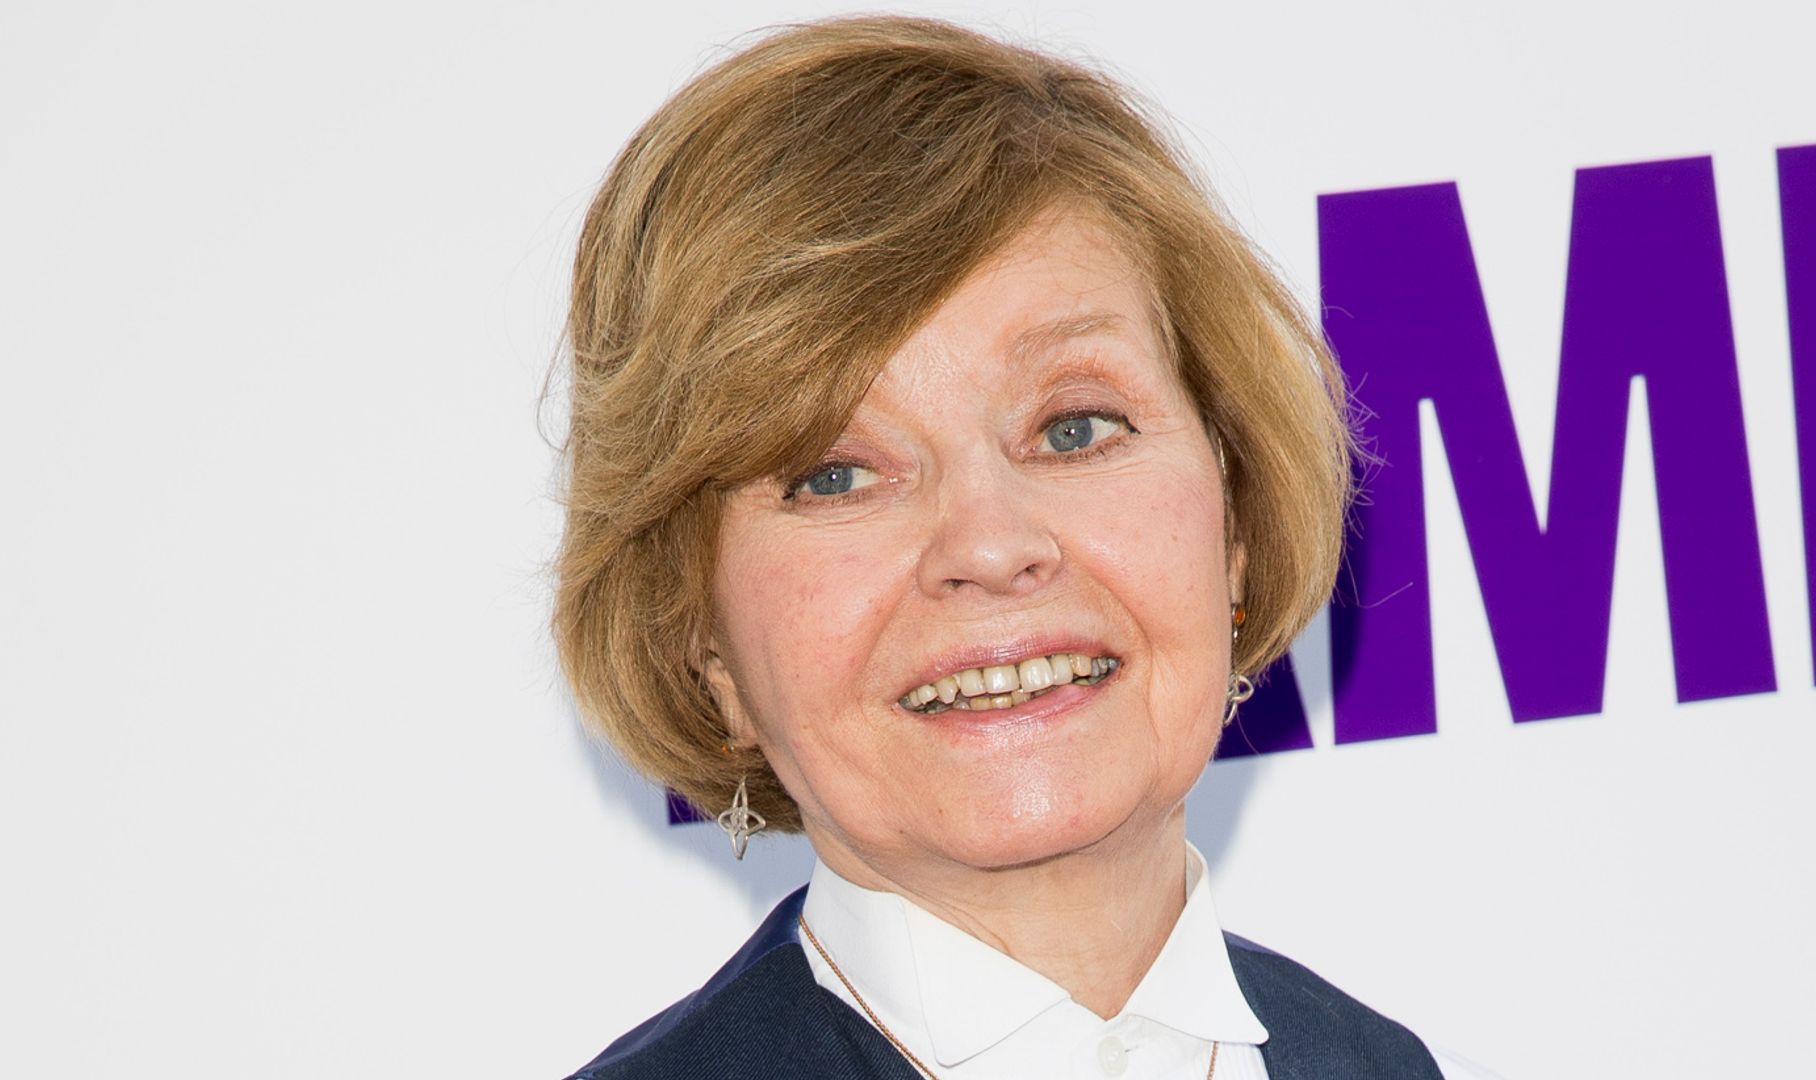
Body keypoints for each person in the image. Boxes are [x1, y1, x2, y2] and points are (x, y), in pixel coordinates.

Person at [552, 14, 1495, 1080]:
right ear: (703, 642)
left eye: (1075, 427)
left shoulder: (1383, 1067)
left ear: (1232, 522)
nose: (992, 547)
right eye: (836, 475)